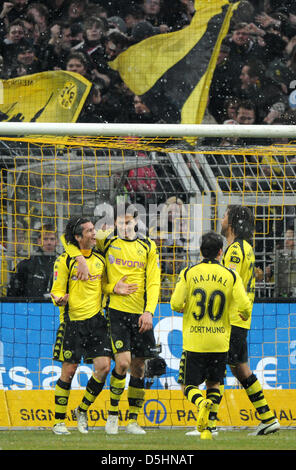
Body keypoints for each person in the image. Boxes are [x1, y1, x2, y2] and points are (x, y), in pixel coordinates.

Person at [61, 202, 161, 435]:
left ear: (137, 221)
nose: (125, 226)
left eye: (129, 222)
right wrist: (81, 259)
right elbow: (69, 240)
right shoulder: (107, 240)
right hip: (115, 312)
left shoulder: (148, 246)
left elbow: (154, 281)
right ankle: (113, 416)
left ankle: (133, 420)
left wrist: (149, 311)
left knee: (139, 367)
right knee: (123, 363)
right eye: (121, 222)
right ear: (114, 224)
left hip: (141, 315)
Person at [171, 230, 253, 440]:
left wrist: (184, 307)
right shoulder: (231, 275)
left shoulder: (189, 273)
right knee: (214, 384)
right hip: (219, 341)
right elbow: (245, 305)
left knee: (188, 385)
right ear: (220, 252)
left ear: (200, 251)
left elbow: (175, 303)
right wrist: (243, 314)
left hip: (195, 342)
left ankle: (200, 403)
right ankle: (208, 429)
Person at [50, 216, 112, 435]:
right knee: (68, 371)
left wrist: (116, 288)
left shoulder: (100, 260)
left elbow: (104, 286)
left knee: (104, 367)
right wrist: (58, 299)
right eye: (89, 231)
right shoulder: (65, 260)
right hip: (72, 322)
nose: (94, 234)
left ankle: (82, 410)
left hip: (96, 321)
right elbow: (55, 290)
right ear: (78, 237)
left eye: (94, 230)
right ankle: (58, 421)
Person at [7, 225, 58, 298]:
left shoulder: (62, 263)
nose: (49, 242)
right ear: (39, 241)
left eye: (52, 239)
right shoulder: (25, 265)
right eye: (45, 239)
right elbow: (12, 295)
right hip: (31, 307)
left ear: (57, 241)